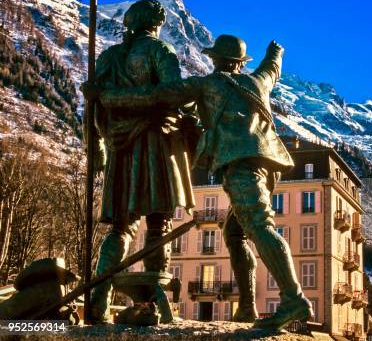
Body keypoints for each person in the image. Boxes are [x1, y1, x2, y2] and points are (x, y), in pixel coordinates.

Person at [92, 35, 313, 330]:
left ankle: (293, 298)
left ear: (215, 59)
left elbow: (158, 95)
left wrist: (106, 96)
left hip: (240, 164)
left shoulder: (205, 84)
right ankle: (247, 307)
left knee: (260, 226)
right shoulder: (258, 81)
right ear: (239, 63)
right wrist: (276, 51)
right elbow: (272, 68)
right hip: (268, 165)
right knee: (234, 232)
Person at [85, 0, 195, 323]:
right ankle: (149, 305)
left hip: (120, 147)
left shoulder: (109, 58)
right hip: (153, 144)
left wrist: (99, 146)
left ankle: (98, 301)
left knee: (119, 227)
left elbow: (95, 107)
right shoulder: (160, 51)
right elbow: (177, 94)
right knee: (158, 224)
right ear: (155, 24)